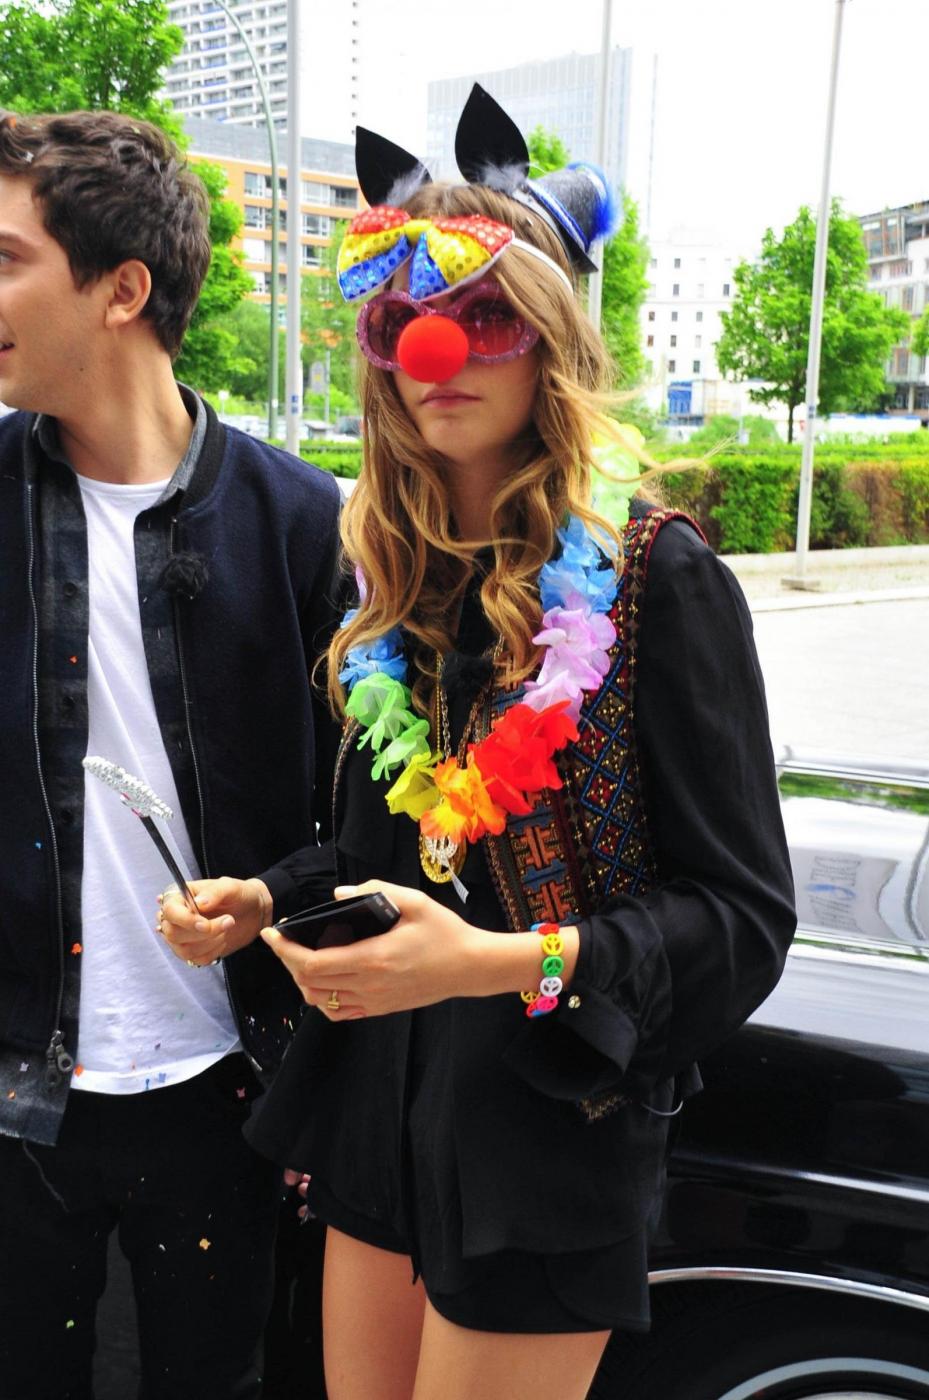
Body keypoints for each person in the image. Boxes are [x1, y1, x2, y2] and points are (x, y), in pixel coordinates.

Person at [161, 85, 797, 1400]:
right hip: (380, 1119)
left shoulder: (653, 580)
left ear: (549, 337)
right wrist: (268, 899)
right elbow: (390, 855)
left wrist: (498, 965)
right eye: (399, 323)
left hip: (545, 1133)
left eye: (484, 315)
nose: (438, 350)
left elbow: (740, 924)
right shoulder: (387, 586)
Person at [0, 109, 340, 1400]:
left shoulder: (300, 523)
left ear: (123, 289)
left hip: (226, 1090)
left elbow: (365, 826)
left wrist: (276, 906)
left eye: (7, 258)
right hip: (15, 1096)